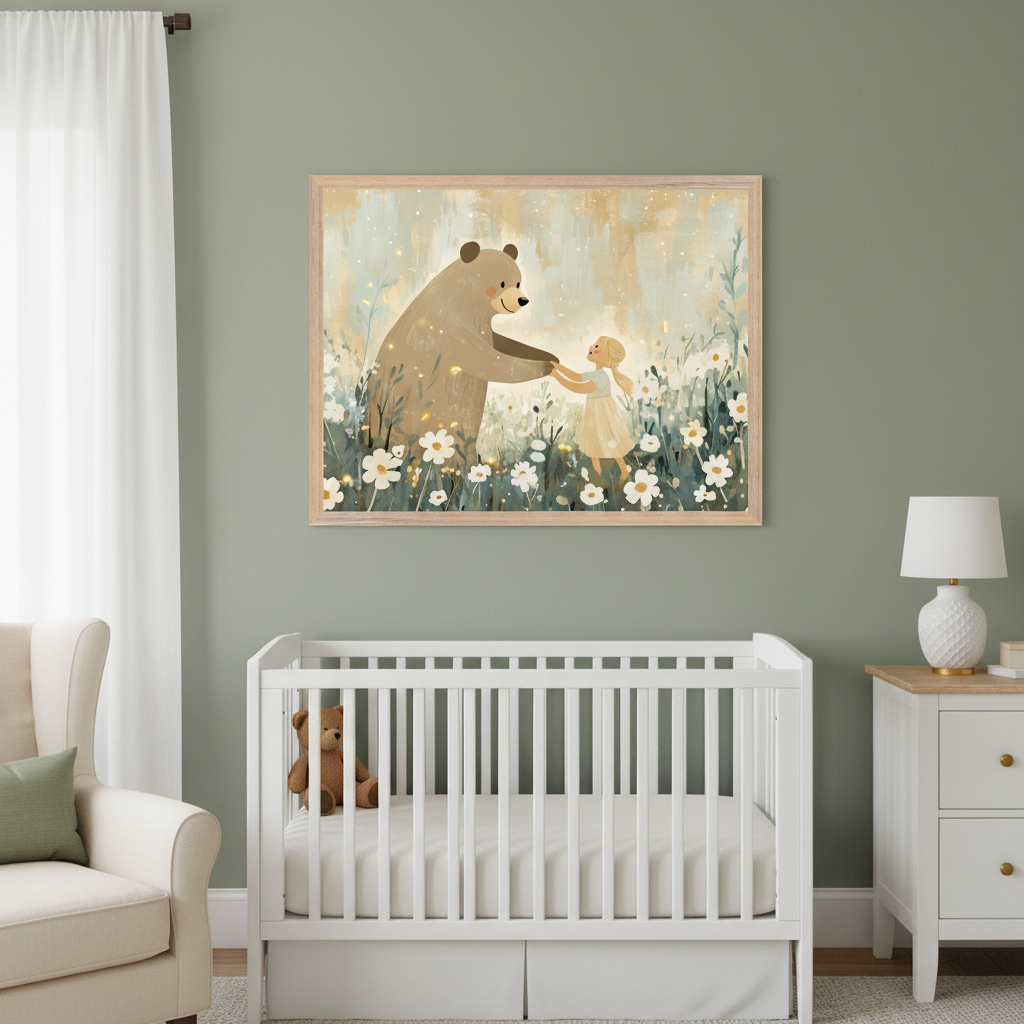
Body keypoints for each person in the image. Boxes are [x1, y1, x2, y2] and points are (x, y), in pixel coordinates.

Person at [549, 335, 635, 482]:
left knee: (608, 439)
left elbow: (578, 387)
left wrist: (555, 375)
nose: (591, 347)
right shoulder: (596, 373)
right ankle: (598, 474)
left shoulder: (602, 377)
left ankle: (622, 470)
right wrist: (557, 367)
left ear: (606, 356)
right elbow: (576, 377)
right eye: (594, 345)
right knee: (593, 442)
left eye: (596, 347)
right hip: (593, 411)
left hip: (602, 413)